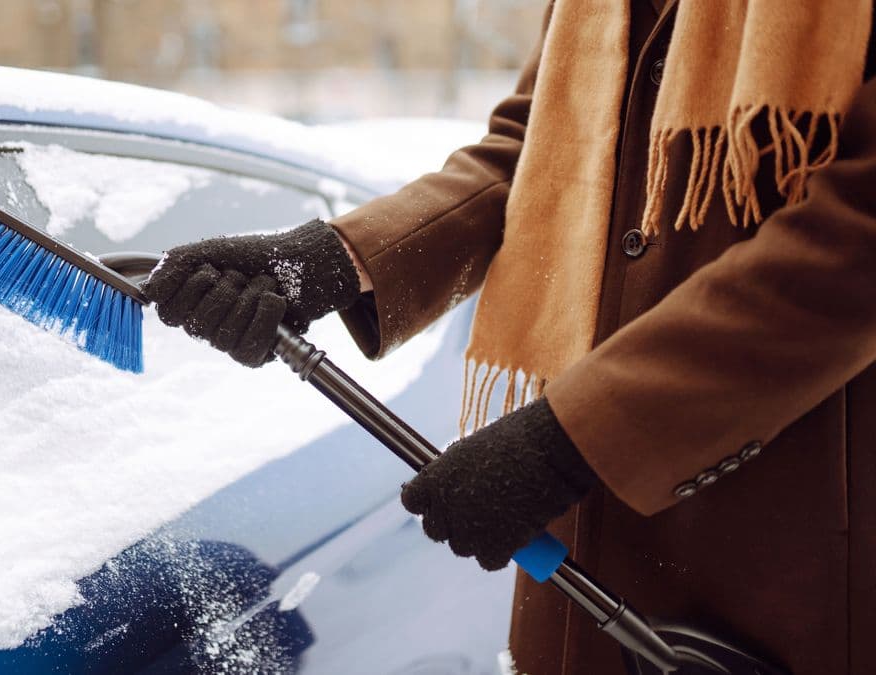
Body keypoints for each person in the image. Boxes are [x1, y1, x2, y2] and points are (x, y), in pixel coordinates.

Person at [141, 2, 876, 673]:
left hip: (782, 542)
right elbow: (531, 148)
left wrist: (579, 438)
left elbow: (860, 228)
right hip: (582, 556)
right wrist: (333, 260)